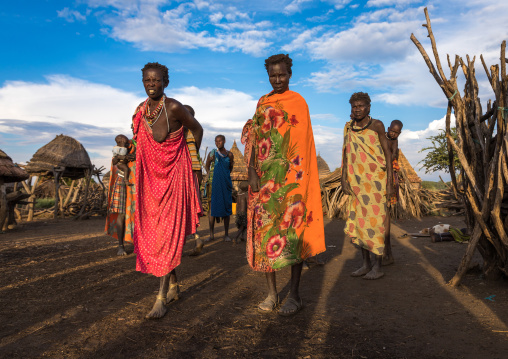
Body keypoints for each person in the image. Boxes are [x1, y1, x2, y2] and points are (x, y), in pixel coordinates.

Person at [242, 53, 326, 316]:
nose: (277, 79)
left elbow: (302, 143)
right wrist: (254, 173)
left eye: (282, 74)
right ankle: (270, 294)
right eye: (272, 75)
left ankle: (295, 295)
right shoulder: (262, 102)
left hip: (291, 180)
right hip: (265, 179)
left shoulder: (298, 102)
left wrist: (300, 180)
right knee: (265, 234)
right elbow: (255, 138)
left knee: (292, 235)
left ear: (290, 74)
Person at [132, 62, 203, 319]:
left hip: (174, 177)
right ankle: (173, 285)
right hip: (151, 180)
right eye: (147, 81)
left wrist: (183, 153)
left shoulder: (174, 107)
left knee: (165, 235)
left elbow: (197, 129)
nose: (152, 84)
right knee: (155, 231)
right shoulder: (141, 111)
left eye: (156, 80)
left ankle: (160, 298)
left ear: (166, 82)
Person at [341, 92, 393, 280]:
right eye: (354, 106)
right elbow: (346, 154)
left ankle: (378, 267)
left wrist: (389, 183)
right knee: (360, 224)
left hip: (376, 183)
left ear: (369, 107)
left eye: (361, 106)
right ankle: (365, 264)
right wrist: (343, 179)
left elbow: (387, 154)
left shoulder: (377, 125)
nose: (357, 109)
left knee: (376, 224)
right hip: (356, 183)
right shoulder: (349, 128)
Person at [105, 135, 136, 256]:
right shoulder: (122, 146)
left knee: (139, 213)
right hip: (123, 180)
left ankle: (138, 244)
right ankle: (121, 246)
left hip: (138, 182)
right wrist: (124, 157)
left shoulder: (141, 145)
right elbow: (114, 161)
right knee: (121, 214)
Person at [205, 135, 234, 242]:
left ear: (224, 141)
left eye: (220, 141)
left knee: (226, 208)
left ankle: (226, 235)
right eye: (216, 141)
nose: (218, 143)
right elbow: (207, 166)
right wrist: (212, 174)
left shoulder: (230, 155)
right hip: (215, 184)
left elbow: (230, 168)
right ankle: (211, 234)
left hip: (225, 184)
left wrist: (223, 176)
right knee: (212, 209)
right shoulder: (212, 154)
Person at [383, 120, 403, 265]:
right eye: (392, 131)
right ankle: (385, 253)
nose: (393, 134)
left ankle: (386, 253)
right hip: (382, 174)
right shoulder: (382, 137)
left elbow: (394, 155)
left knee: (384, 216)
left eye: (396, 133)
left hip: (388, 178)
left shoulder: (395, 142)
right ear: (388, 128)